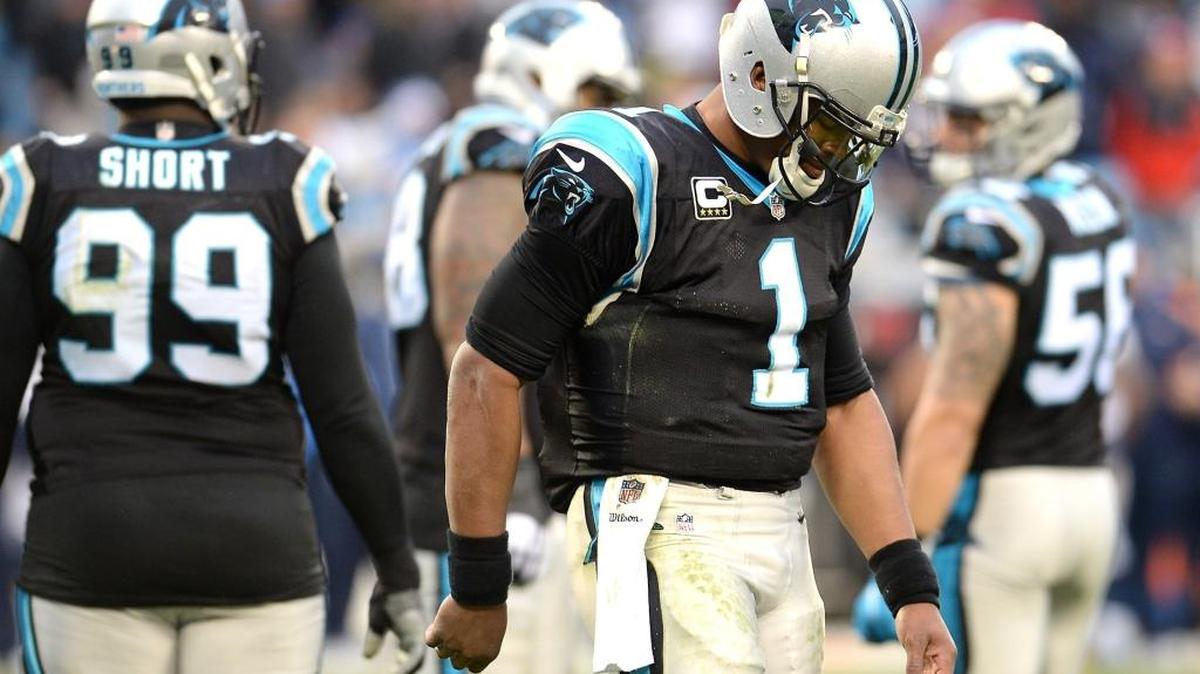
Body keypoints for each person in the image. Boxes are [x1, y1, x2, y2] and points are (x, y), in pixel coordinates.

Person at [424, 1, 956, 673]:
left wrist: (909, 587)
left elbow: (842, 401)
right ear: (760, 77)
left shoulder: (835, 199)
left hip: (782, 531)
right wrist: (477, 583)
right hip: (656, 519)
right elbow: (486, 369)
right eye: (828, 128)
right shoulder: (635, 175)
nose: (840, 159)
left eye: (860, 140)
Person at [0, 2, 425, 672]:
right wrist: (396, 566)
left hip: (90, 545)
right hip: (255, 549)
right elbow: (343, 409)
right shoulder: (284, 180)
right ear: (207, 54)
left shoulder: (43, 177)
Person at [853, 19, 1135, 674]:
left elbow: (954, 409)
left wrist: (906, 554)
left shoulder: (982, 221)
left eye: (970, 121)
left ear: (1028, 121)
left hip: (1008, 514)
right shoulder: (1101, 198)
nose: (947, 135)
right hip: (1093, 495)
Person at [383, 2, 639, 672]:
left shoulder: (454, 142)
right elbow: (473, 337)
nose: (604, 113)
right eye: (595, 93)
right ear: (542, 76)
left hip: (442, 479)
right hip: (476, 496)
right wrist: (515, 493)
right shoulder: (499, 147)